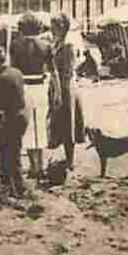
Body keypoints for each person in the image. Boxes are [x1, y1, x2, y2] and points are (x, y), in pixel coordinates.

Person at [12, 15, 54, 182]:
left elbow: (13, 71)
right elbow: (52, 71)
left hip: (24, 86)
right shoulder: (46, 46)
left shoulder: (15, 45)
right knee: (40, 126)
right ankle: (40, 166)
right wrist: (55, 92)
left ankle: (32, 166)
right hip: (41, 86)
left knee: (27, 126)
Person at [47, 14, 85, 175]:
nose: (54, 28)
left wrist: (61, 92)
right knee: (59, 123)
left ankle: (70, 160)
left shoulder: (68, 46)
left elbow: (68, 72)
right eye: (53, 25)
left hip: (66, 87)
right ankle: (63, 157)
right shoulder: (56, 44)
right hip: (56, 85)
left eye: (57, 25)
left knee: (68, 123)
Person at [0, 48, 28, 197]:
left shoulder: (1, 78)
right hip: (21, 115)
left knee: (8, 152)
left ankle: (14, 186)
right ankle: (10, 184)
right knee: (11, 150)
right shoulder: (16, 72)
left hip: (10, 117)